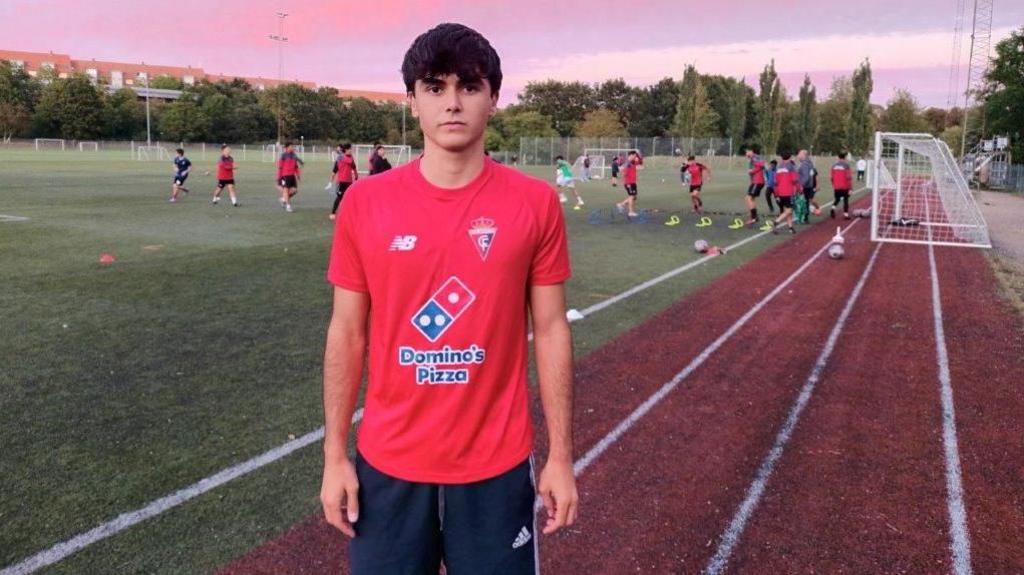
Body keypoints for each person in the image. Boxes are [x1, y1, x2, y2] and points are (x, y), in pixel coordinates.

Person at [321, 23, 578, 575]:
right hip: (388, 465)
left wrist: (560, 455)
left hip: (497, 467)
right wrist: (333, 455)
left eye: (469, 86)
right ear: (412, 101)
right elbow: (347, 331)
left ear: (494, 97)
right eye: (435, 88)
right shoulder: (365, 203)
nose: (453, 103)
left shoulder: (535, 204)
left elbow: (552, 328)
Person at [771, 153, 798, 234]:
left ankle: (790, 227)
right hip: (788, 192)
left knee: (787, 210)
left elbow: (775, 181)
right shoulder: (791, 166)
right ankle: (776, 221)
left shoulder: (778, 166)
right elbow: (794, 180)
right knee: (789, 210)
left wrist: (776, 193)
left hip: (780, 192)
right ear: (790, 157)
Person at [330, 143, 358, 220]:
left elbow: (354, 167)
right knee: (339, 197)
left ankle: (348, 213)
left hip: (349, 181)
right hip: (341, 181)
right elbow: (349, 162)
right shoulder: (341, 157)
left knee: (349, 196)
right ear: (346, 150)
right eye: (350, 149)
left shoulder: (349, 157)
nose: (351, 150)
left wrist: (356, 176)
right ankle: (333, 212)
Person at [277, 142, 304, 213]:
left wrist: (298, 175)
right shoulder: (283, 155)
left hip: (292, 176)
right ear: (286, 148)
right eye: (291, 146)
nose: (292, 148)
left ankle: (283, 199)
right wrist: (279, 177)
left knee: (294, 190)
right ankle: (288, 206)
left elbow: (296, 167)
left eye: (293, 146)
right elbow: (280, 167)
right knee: (286, 190)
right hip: (285, 175)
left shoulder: (294, 155)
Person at [615, 150, 641, 217]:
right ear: (631, 155)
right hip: (629, 182)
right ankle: (631, 212)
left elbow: (640, 161)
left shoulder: (633, 161)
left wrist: (638, 154)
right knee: (631, 196)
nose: (635, 157)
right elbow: (622, 170)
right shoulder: (627, 163)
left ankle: (621, 204)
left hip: (633, 182)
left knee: (634, 197)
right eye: (634, 156)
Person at [744, 147, 765, 225]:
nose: (745, 154)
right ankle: (754, 215)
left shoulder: (755, 157)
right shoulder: (754, 158)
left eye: (746, 152)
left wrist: (752, 171)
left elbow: (761, 165)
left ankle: (754, 217)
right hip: (755, 181)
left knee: (749, 198)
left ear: (751, 151)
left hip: (758, 181)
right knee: (749, 198)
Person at [797, 149, 821, 216]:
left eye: (799, 154)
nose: (798, 155)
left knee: (808, 200)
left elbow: (812, 175)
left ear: (803, 155)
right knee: (807, 201)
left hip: (807, 186)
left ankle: (815, 209)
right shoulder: (809, 163)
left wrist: (801, 185)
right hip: (809, 185)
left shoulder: (805, 164)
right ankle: (808, 214)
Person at [830, 151, 853, 219]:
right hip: (845, 186)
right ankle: (846, 214)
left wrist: (834, 185)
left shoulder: (834, 166)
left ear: (838, 157)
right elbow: (848, 177)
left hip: (836, 186)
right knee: (846, 200)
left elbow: (831, 177)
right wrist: (850, 188)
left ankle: (832, 208)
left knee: (837, 199)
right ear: (845, 157)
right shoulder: (846, 165)